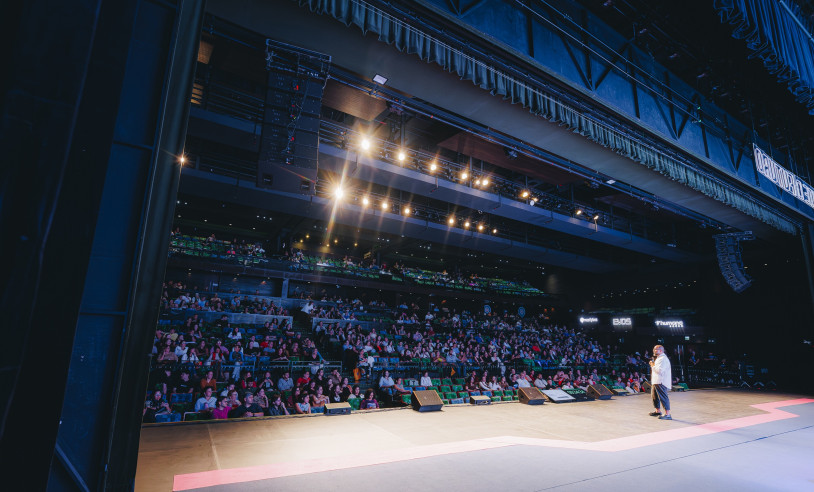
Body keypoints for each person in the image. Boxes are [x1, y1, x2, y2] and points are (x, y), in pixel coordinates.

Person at [649, 344, 673, 420]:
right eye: (654, 349)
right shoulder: (659, 358)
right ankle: (658, 411)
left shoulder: (662, 359)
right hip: (656, 381)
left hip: (661, 381)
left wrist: (652, 365)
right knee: (654, 396)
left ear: (661, 350)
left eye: (656, 349)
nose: (654, 350)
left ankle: (667, 414)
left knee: (663, 397)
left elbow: (660, 371)